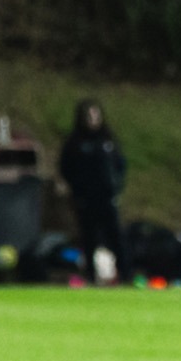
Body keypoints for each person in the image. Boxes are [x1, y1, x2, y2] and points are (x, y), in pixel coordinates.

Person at [57, 98, 126, 284]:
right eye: (89, 116)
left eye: (95, 116)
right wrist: (77, 190)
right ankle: (91, 275)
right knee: (89, 239)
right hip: (86, 199)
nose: (93, 120)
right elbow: (66, 168)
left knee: (116, 238)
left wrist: (117, 187)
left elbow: (120, 165)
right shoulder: (75, 142)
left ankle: (125, 274)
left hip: (107, 197)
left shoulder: (108, 140)